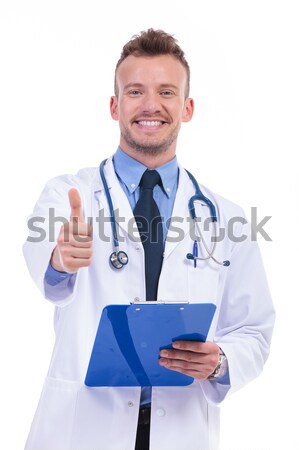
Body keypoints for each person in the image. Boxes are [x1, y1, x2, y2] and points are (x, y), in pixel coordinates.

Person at [23, 29, 275, 450]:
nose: (151, 105)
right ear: (114, 105)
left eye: (167, 92)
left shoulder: (227, 219)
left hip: (181, 430)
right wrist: (61, 258)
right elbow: (44, 259)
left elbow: (255, 329)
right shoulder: (71, 196)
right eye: (135, 91)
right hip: (84, 428)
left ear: (187, 107)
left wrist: (220, 362)